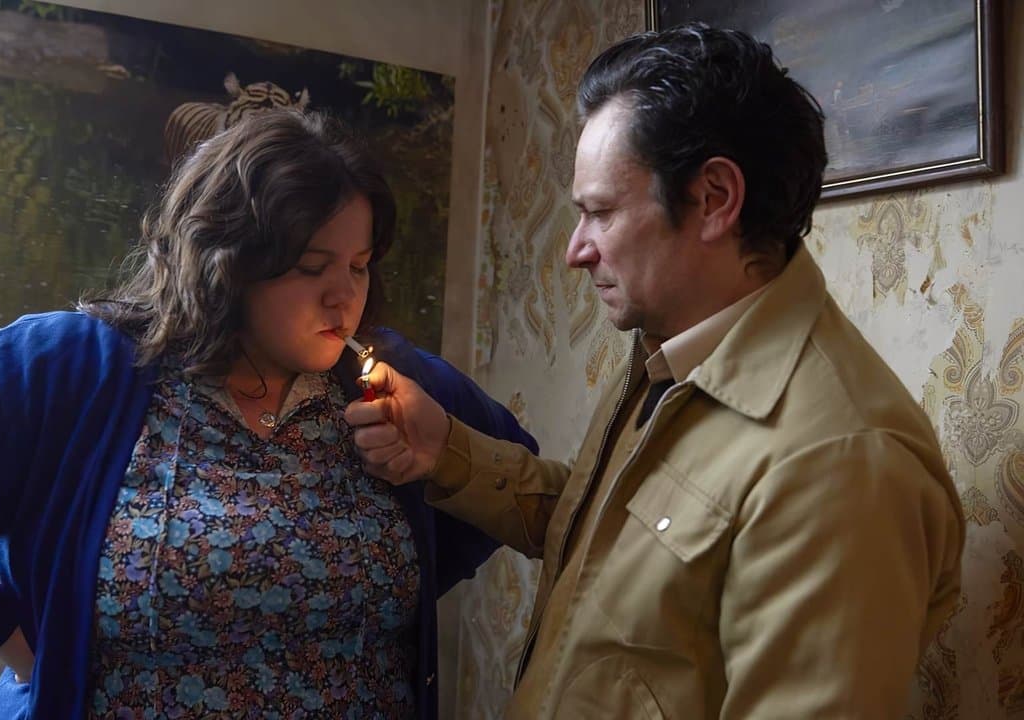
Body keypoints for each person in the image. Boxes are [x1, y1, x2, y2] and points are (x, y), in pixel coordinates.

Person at [0, 109, 537, 719]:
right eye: (312, 268)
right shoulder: (73, 366)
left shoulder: (387, 379)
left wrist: (420, 505)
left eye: (360, 266)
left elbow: (515, 483)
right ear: (228, 262)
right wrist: (13, 639)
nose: (345, 296)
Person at [346, 23, 964, 719]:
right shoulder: (673, 351)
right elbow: (606, 537)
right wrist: (444, 450)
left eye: (600, 213)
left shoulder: (842, 463)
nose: (575, 251)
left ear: (714, 199)